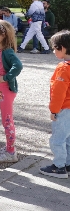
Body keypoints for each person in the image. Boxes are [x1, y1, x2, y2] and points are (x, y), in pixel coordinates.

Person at [0, 20, 23, 163]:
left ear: (3, 34)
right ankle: (8, 147)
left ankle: (11, 152)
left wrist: (5, 77)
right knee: (5, 120)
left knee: (7, 121)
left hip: (6, 90)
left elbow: (18, 66)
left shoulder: (7, 51)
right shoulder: (0, 50)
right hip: (1, 90)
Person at [39, 30, 70, 178]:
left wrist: (53, 110)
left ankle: (59, 167)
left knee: (57, 139)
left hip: (64, 109)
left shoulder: (64, 68)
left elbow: (59, 92)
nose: (53, 50)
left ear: (62, 48)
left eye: (54, 48)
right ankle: (68, 163)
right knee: (68, 138)